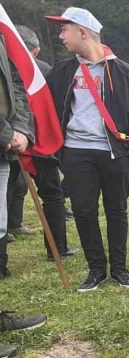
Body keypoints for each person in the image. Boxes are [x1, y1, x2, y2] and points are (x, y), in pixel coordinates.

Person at [45, 8, 129, 292]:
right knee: (84, 212)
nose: (61, 36)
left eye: (65, 29)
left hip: (116, 154)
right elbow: (45, 110)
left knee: (117, 211)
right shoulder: (62, 71)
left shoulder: (126, 72)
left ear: (82, 32)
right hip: (76, 153)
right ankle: (96, 270)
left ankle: (120, 269)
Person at [7, 25, 77, 262]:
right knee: (51, 195)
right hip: (30, 141)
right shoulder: (44, 70)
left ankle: (53, 248)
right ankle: (57, 248)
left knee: (15, 192)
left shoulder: (44, 72)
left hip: (25, 140)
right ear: (35, 51)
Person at [0, 29, 35, 278]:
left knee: (0, 220)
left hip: (4, 148)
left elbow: (16, 86)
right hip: (4, 137)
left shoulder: (3, 39)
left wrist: (21, 130)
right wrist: (6, 133)